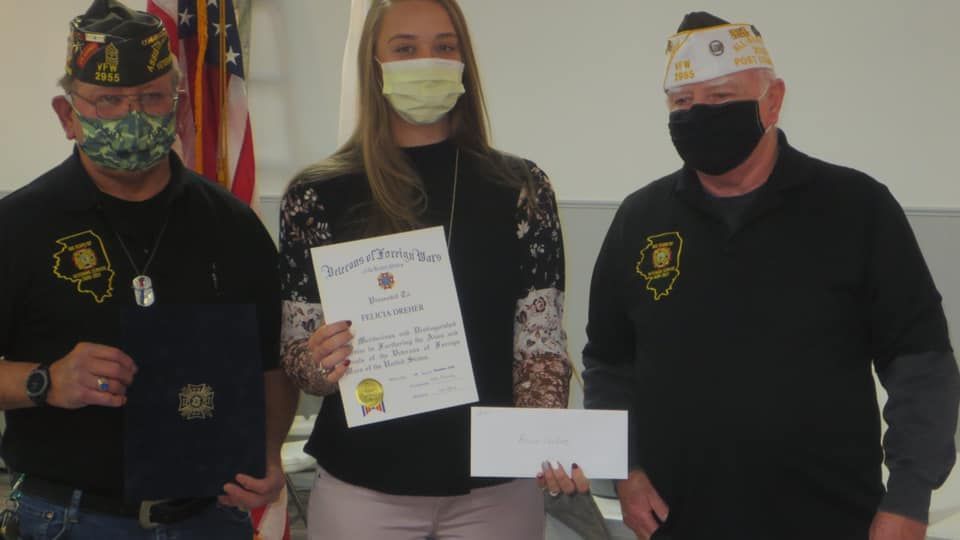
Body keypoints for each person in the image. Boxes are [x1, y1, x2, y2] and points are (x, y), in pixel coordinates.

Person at [583, 11, 960, 540]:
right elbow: (609, 364)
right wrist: (626, 469)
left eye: (720, 98)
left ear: (774, 100)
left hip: (834, 518)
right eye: (682, 102)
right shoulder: (639, 221)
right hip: (677, 519)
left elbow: (920, 362)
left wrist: (909, 497)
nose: (698, 115)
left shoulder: (857, 209)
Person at [0, 1, 297, 538]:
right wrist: (44, 380)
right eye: (109, 100)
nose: (131, 116)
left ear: (176, 105)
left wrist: (271, 452)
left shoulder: (232, 224)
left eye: (152, 97)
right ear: (68, 115)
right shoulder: (15, 226)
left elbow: (270, 364)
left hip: (210, 515)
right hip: (70, 516)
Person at [278, 0, 571, 537]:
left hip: (495, 486)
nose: (426, 60)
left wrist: (544, 434)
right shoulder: (316, 193)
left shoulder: (522, 187)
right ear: (375, 63)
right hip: (364, 481)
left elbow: (541, 344)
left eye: (444, 46)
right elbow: (299, 360)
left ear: (464, 62)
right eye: (405, 48)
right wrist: (319, 360)